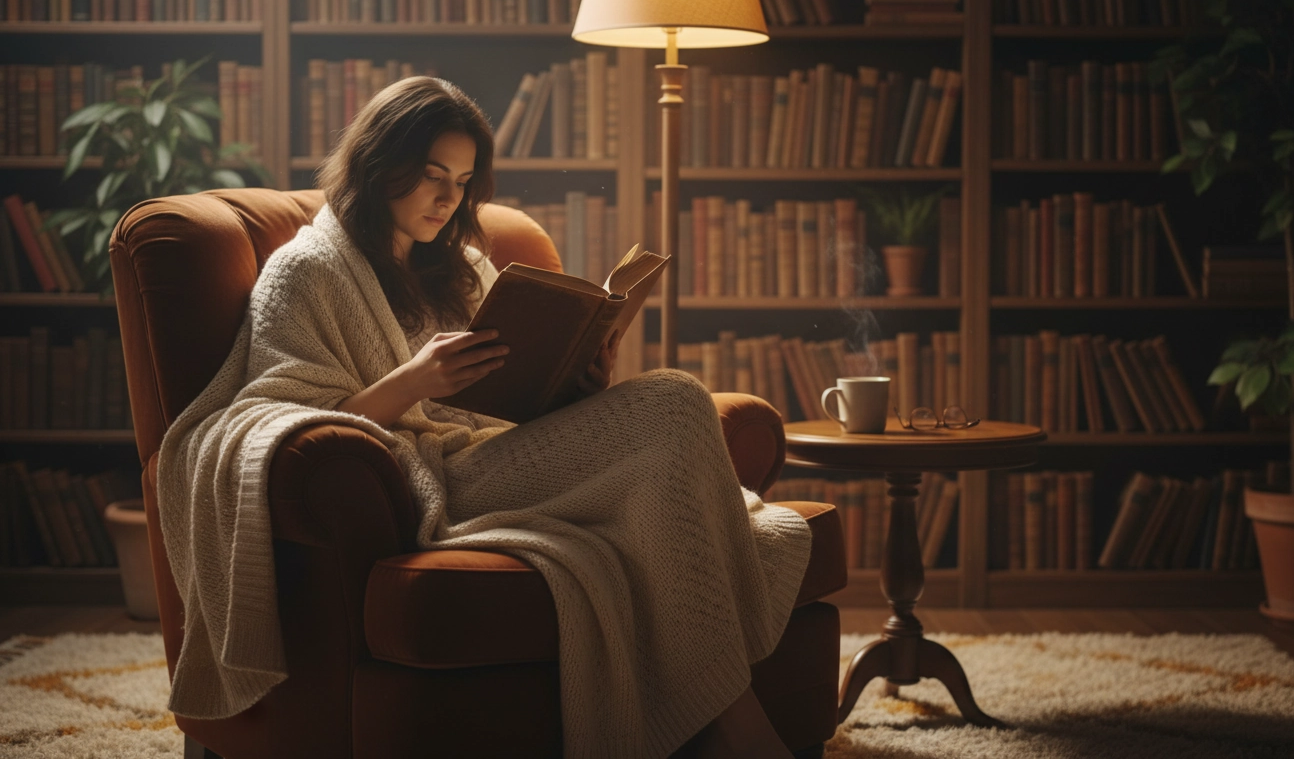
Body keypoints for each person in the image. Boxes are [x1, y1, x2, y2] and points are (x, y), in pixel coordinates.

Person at [158, 75, 813, 758]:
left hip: (500, 454)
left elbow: (516, 397)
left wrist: (582, 381)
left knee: (673, 403)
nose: (450, 198)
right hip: (427, 480)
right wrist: (412, 381)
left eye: (465, 181)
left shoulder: (465, 268)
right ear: (381, 166)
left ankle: (714, 713)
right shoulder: (306, 271)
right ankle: (732, 722)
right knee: (676, 400)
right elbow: (280, 417)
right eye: (433, 175)